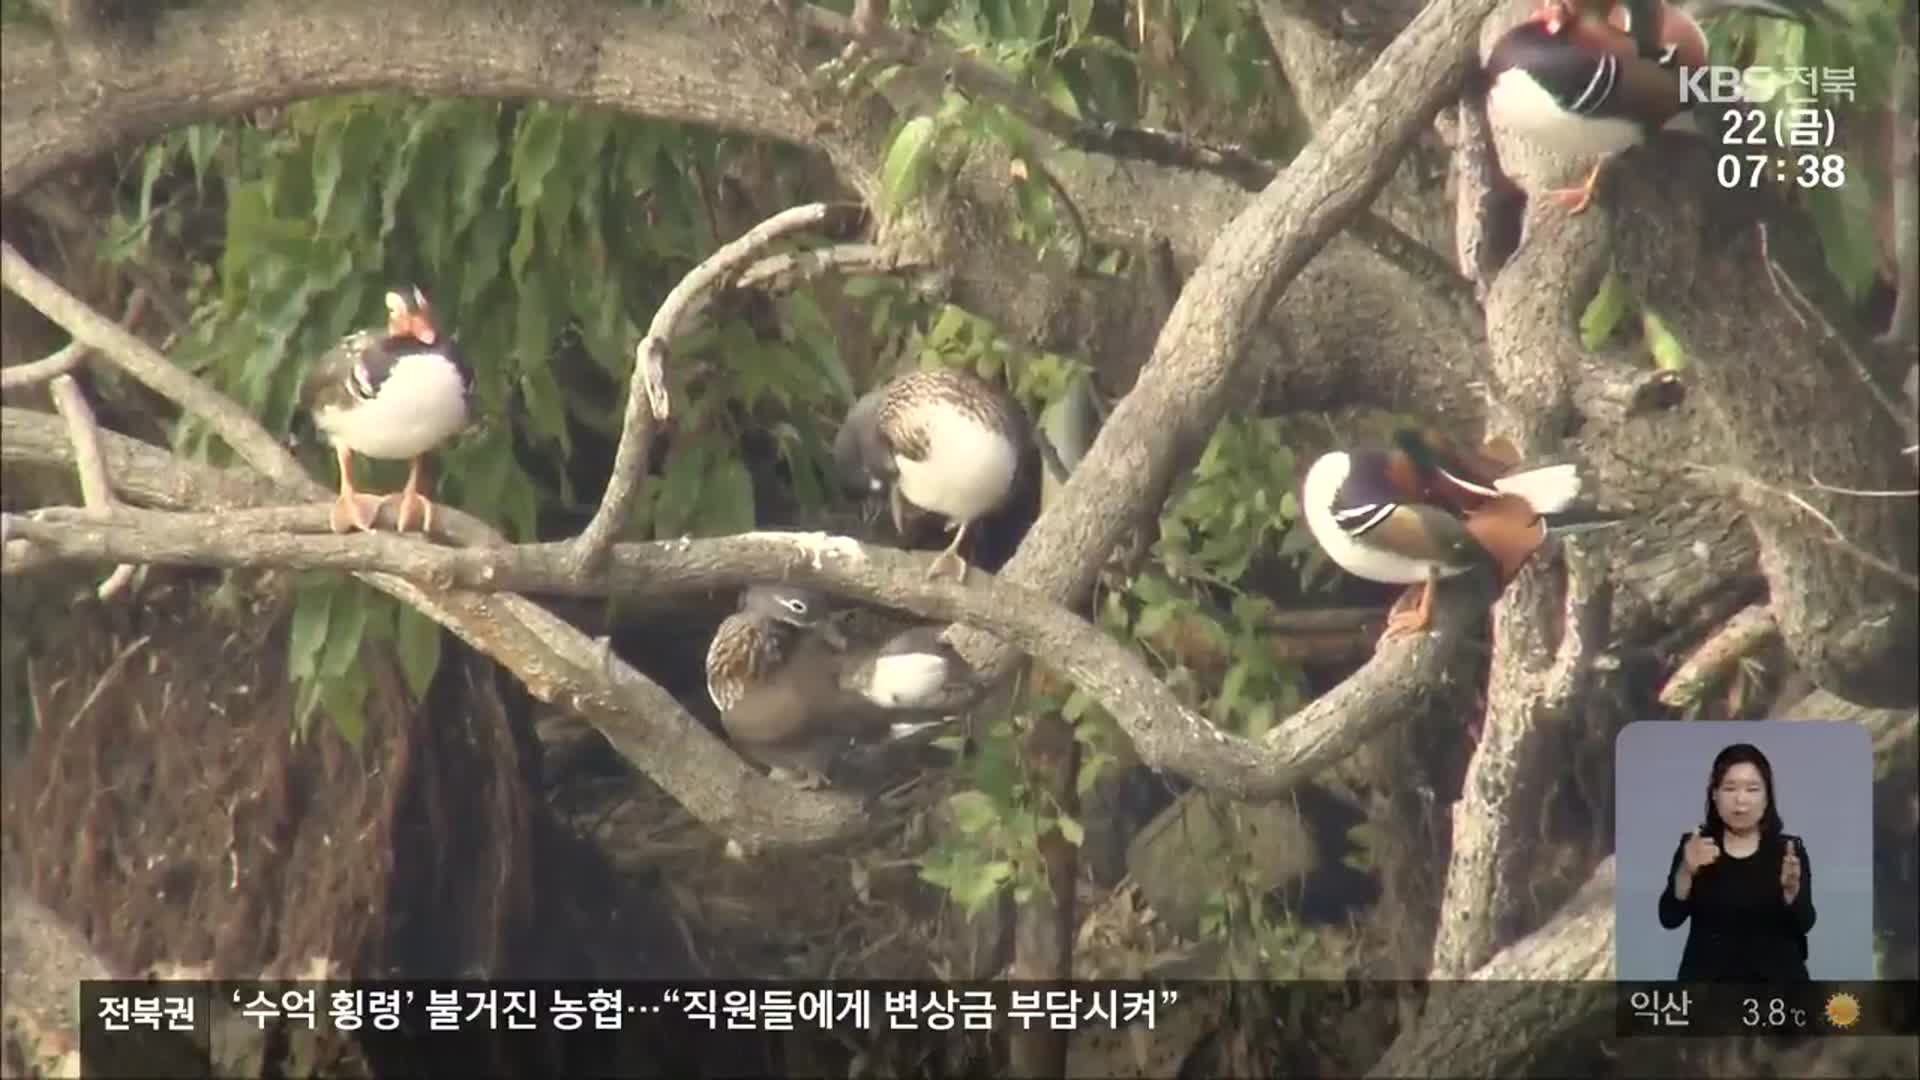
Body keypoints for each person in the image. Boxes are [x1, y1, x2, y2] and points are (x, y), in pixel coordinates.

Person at [1658, 743, 1815, 982]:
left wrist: (1791, 893)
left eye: (1752, 789)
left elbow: (1805, 923)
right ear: (1714, 795)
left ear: (1767, 798)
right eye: (1730, 788)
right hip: (1708, 994)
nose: (1741, 801)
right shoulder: (1696, 846)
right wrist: (1686, 871)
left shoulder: (1789, 852)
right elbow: (1669, 918)